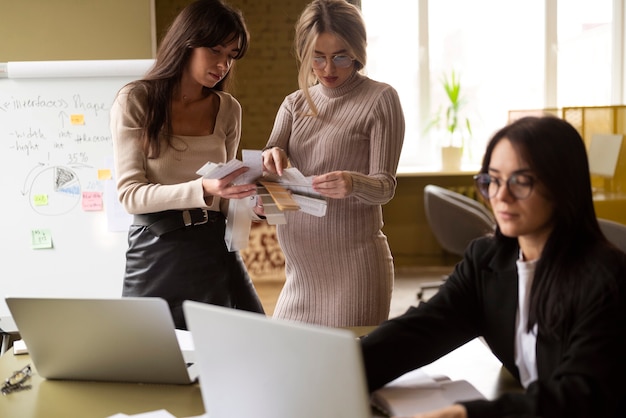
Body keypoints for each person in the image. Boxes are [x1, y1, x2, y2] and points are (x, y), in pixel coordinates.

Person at [360, 115, 626, 418]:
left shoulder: (606, 279)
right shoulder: (487, 259)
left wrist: (467, 414)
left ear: (563, 186)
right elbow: (423, 329)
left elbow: (581, 397)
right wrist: (343, 367)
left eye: (521, 181)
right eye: (493, 180)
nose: (501, 196)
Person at [110, 0, 265, 330]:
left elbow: (225, 198)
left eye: (232, 55)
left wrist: (254, 202)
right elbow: (130, 196)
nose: (223, 64)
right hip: (156, 249)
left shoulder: (228, 109)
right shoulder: (136, 100)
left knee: (246, 346)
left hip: (213, 248)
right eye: (215, 50)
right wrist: (201, 189)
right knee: (152, 360)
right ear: (186, 42)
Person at [261, 0, 405, 327]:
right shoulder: (294, 104)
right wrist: (263, 196)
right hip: (300, 273)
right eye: (318, 57)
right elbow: (275, 183)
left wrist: (353, 183)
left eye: (340, 56)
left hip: (354, 271)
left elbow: (385, 188)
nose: (328, 69)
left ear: (358, 52)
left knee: (348, 375)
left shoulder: (380, 99)